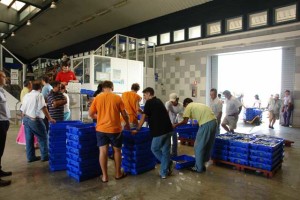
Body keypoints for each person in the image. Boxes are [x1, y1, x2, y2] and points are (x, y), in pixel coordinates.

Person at [89, 81, 130, 183]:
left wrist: (100, 118)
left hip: (101, 129)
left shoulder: (97, 98)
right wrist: (127, 124)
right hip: (115, 129)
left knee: (103, 152)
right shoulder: (117, 98)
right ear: (112, 87)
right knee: (117, 151)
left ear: (103, 88)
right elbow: (124, 114)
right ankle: (118, 174)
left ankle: (105, 177)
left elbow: (91, 114)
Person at [132, 87, 174, 179]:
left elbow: (143, 117)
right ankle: (163, 173)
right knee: (166, 151)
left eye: (144, 95)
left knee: (154, 149)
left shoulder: (149, 102)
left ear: (149, 94)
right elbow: (155, 114)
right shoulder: (158, 101)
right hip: (168, 129)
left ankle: (168, 162)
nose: (144, 97)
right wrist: (143, 112)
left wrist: (138, 129)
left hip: (160, 131)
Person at [173, 98, 217, 173]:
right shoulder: (198, 105)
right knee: (207, 145)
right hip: (214, 122)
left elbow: (185, 121)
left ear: (185, 104)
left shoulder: (188, 107)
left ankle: (198, 168)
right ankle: (202, 164)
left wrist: (175, 125)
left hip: (206, 123)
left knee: (198, 146)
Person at [20, 81, 56, 162]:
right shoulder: (39, 95)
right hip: (34, 119)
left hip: (26, 118)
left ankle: (31, 157)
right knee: (43, 137)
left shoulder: (27, 95)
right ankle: (45, 156)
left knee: (29, 139)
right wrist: (50, 118)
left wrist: (23, 121)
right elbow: (43, 108)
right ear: (40, 88)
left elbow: (22, 109)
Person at [0, 71, 12, 187]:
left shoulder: (1, 90)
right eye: (3, 77)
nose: (5, 78)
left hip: (3, 122)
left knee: (0, 149)